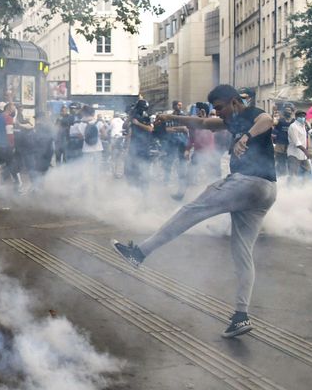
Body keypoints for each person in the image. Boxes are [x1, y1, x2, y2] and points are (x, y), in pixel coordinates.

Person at [113, 84, 277, 338]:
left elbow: (267, 119)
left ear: (235, 102)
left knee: (191, 210)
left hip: (247, 182)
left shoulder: (250, 114)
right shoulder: (232, 120)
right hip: (266, 191)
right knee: (242, 252)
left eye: (220, 107)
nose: (218, 113)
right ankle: (242, 315)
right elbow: (205, 124)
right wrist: (173, 118)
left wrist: (246, 137)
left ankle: (140, 253)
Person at [125, 100, 153, 187]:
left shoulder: (146, 117)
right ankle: (135, 188)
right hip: (135, 148)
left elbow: (150, 129)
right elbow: (126, 127)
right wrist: (130, 117)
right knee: (133, 169)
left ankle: (144, 188)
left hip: (144, 147)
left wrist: (138, 124)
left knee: (144, 169)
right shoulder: (134, 116)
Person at [286, 111, 311, 178]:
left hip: (303, 155)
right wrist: (306, 151)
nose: (303, 118)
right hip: (294, 154)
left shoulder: (303, 126)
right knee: (293, 175)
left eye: (304, 116)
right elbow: (296, 142)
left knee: (307, 171)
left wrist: (306, 151)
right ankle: (290, 188)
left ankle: (305, 187)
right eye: (301, 116)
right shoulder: (293, 126)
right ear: (296, 117)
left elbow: (304, 139)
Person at [272, 106, 293, 176]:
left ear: (291, 112)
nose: (288, 112)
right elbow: (274, 123)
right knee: (280, 160)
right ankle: (281, 176)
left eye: (289, 110)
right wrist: (274, 113)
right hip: (280, 144)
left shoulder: (293, 121)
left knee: (290, 161)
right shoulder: (280, 121)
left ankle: (290, 176)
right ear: (284, 113)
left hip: (291, 144)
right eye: (286, 111)